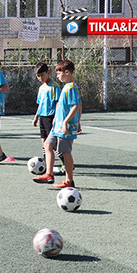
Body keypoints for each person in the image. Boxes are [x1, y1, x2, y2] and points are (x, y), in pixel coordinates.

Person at [34, 60, 82, 188]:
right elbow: (79, 104)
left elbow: (76, 105)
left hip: (65, 126)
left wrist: (67, 122)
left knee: (66, 152)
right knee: (48, 145)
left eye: (59, 73)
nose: (57, 76)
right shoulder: (66, 86)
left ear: (67, 72)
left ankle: (69, 180)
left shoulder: (71, 87)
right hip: (57, 126)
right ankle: (48, 174)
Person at [31, 63, 63, 171]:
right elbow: (40, 104)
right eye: (37, 76)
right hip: (42, 118)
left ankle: (66, 163)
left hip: (51, 117)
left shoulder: (55, 86)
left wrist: (56, 118)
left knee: (52, 143)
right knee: (44, 142)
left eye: (42, 75)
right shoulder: (41, 88)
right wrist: (36, 117)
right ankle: (45, 166)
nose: (40, 78)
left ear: (48, 73)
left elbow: (58, 103)